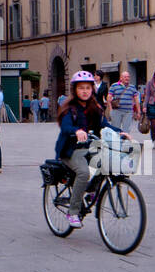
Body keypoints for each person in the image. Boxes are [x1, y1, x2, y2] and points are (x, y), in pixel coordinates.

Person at [54, 71, 128, 229]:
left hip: (89, 147)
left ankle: (91, 191)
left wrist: (118, 131)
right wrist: (76, 131)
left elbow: (104, 125)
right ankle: (73, 212)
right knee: (83, 173)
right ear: (75, 90)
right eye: (81, 88)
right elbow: (66, 126)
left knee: (105, 162)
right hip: (70, 150)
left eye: (88, 87)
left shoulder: (95, 107)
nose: (85, 91)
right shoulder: (70, 109)